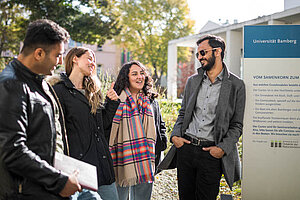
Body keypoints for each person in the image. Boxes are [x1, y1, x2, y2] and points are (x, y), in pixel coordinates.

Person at [0, 19, 81, 200]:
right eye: (58, 55)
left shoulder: (39, 81)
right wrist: (59, 181)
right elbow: (12, 150)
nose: (61, 61)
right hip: (26, 193)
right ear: (38, 53)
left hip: (46, 189)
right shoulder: (11, 86)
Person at [171, 34, 246, 200]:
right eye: (197, 54)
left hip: (211, 154)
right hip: (186, 149)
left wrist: (221, 149)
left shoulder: (236, 85)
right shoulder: (192, 81)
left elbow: (237, 125)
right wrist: (175, 136)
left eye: (203, 53)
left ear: (217, 52)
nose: (199, 57)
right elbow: (183, 113)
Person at [48, 47, 120, 200]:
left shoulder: (93, 90)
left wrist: (111, 103)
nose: (93, 63)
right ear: (75, 58)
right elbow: (56, 130)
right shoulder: (58, 90)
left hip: (102, 166)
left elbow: (102, 125)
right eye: (89, 58)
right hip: (78, 170)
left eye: (94, 59)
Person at [110, 61, 164, 200]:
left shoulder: (150, 100)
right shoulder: (115, 98)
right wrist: (111, 103)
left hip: (146, 160)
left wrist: (161, 144)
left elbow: (160, 125)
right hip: (121, 160)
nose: (139, 77)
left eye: (142, 73)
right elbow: (106, 126)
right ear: (125, 77)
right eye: (134, 74)